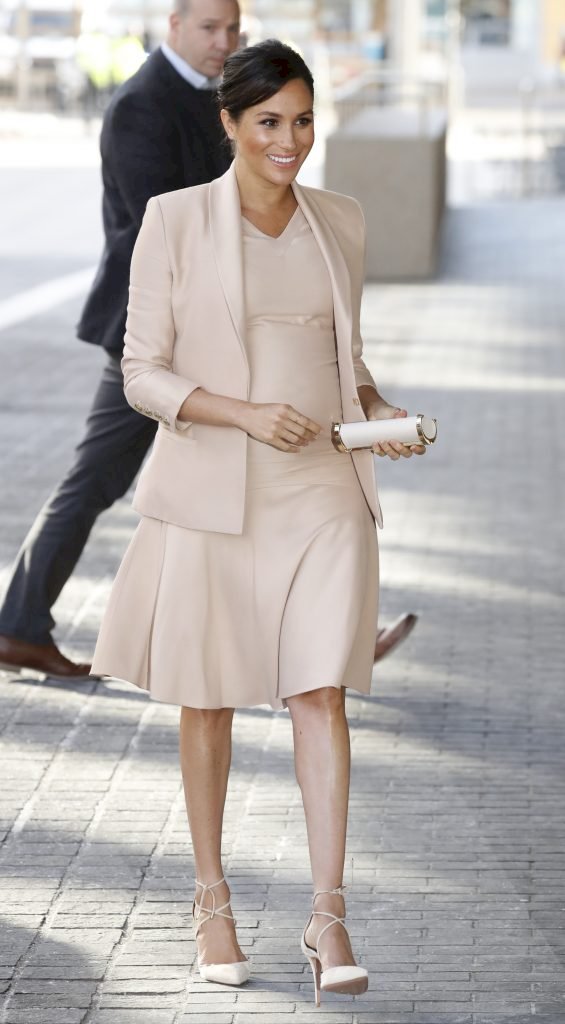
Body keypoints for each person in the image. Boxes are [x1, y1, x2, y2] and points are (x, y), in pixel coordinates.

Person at [90, 40, 425, 1003]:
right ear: (230, 125)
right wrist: (240, 414)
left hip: (324, 487)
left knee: (319, 691)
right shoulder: (175, 221)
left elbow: (342, 363)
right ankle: (211, 901)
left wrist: (379, 416)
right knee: (211, 698)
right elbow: (140, 370)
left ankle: (329, 918)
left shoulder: (341, 221)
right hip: (216, 494)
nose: (290, 140)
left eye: (303, 120)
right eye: (269, 122)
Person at [0, 0, 241, 680]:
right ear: (173, 26)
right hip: (153, 332)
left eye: (233, 28)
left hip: (201, 325)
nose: (224, 41)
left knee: (255, 477)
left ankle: (308, 638)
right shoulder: (143, 104)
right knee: (97, 480)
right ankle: (16, 624)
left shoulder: (211, 94)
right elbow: (163, 225)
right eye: (209, 28)